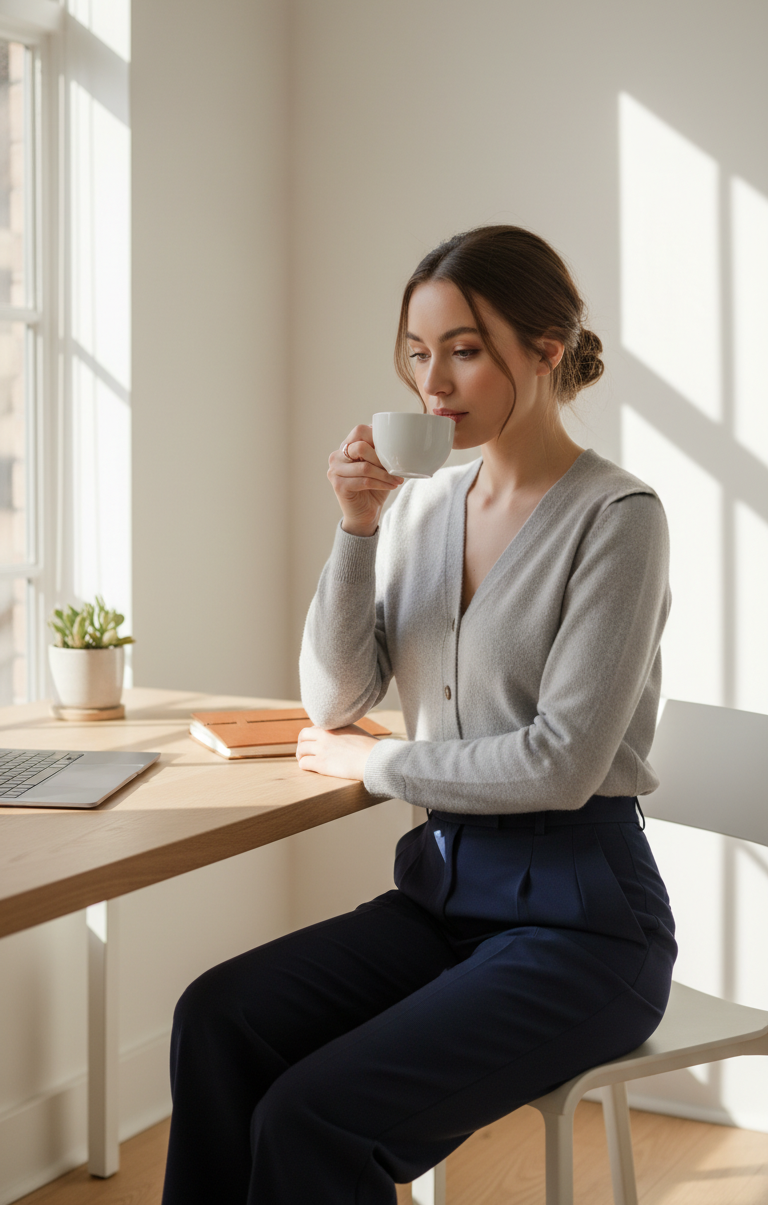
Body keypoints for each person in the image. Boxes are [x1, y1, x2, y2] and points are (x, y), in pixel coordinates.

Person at [161, 225, 676, 1205]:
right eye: (417, 353)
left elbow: (562, 765)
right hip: (440, 898)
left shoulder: (618, 518)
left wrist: (377, 765)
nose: (432, 384)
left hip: (586, 928)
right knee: (217, 1017)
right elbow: (334, 700)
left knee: (312, 1116)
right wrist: (357, 527)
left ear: (546, 352)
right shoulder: (422, 509)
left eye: (464, 351)